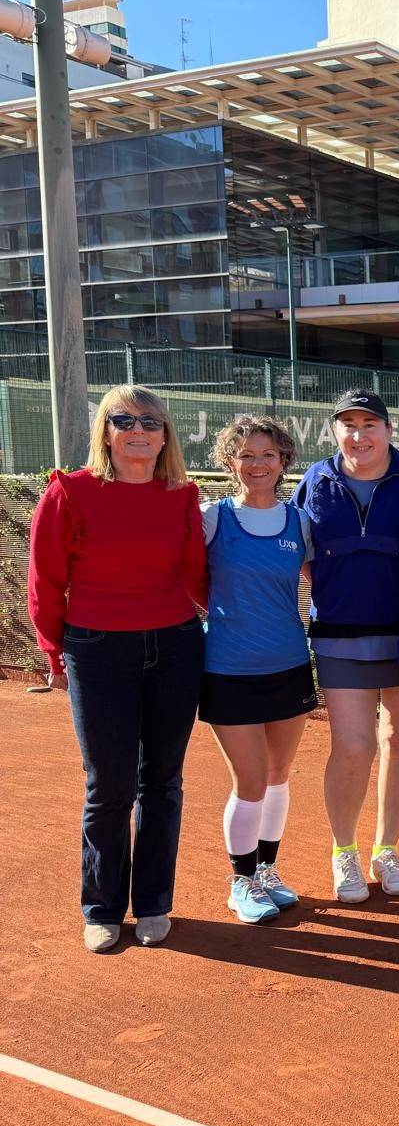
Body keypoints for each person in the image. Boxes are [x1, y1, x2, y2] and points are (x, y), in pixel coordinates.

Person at [28, 386, 208, 952]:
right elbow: (45, 581)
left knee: (163, 780)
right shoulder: (69, 492)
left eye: (150, 422)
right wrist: (55, 652)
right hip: (97, 650)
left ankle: (153, 902)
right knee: (108, 784)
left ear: (165, 435)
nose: (138, 431)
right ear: (105, 432)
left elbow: (198, 576)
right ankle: (102, 907)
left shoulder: (182, 495)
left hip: (176, 645)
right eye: (123, 420)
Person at [292, 389, 399, 903]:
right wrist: (336, 591)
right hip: (339, 636)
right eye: (348, 425)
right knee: (353, 746)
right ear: (335, 430)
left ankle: (387, 847)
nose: (359, 436)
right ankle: (344, 851)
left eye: (369, 425)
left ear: (388, 430)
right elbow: (303, 553)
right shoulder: (316, 481)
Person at [200, 416, 318, 926]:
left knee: (277, 777)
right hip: (228, 669)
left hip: (289, 664)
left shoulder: (300, 522)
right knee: (249, 780)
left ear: (283, 460)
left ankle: (267, 870)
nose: (257, 464)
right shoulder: (212, 518)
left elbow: (321, 581)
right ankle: (241, 881)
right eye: (246, 455)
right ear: (230, 463)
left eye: (267, 454)